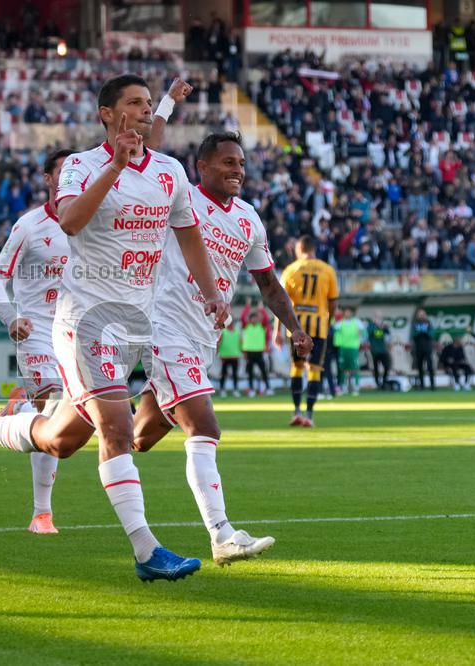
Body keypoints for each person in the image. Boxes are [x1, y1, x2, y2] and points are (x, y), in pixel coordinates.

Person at [0, 74, 230, 582]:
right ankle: (147, 552)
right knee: (117, 429)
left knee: (59, 440)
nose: (143, 110)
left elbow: (190, 237)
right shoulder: (80, 166)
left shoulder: (169, 172)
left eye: (148, 104)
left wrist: (212, 291)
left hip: (135, 324)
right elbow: (69, 221)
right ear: (107, 115)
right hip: (85, 322)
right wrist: (114, 167)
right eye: (133, 103)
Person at [130, 130, 313, 565]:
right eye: (229, 163)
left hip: (202, 338)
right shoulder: (181, 200)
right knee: (205, 427)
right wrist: (166, 108)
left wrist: (294, 328)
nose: (238, 171)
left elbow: (268, 282)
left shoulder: (249, 217)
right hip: (164, 327)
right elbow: (144, 160)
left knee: (139, 437)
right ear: (203, 167)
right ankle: (222, 535)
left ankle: (9, 425)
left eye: (242, 164)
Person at [0, 148, 74, 535]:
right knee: (53, 408)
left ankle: (18, 410)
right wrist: (11, 318)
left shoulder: (91, 221)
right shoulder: (29, 226)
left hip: (76, 332)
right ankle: (42, 514)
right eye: (64, 171)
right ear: (48, 179)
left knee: (74, 421)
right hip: (35, 328)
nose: (73, 177)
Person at [276, 236, 339, 427]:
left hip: (296, 327)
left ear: (299, 249)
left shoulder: (290, 270)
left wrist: (276, 330)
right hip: (319, 326)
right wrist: (329, 320)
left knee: (297, 367)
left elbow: (280, 302)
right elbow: (333, 301)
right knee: (315, 369)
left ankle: (296, 412)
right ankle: (309, 415)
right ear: (314, 249)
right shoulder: (327, 270)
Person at [334, 308, 364, 395]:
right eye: (346, 312)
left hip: (353, 348)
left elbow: (362, 331)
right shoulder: (340, 323)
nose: (347, 314)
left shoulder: (357, 322)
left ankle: (356, 388)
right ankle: (343, 387)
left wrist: (360, 336)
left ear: (351, 313)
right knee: (343, 369)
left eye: (349, 312)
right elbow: (334, 331)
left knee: (355, 368)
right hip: (343, 348)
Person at [242, 312, 270, 396]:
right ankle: (251, 390)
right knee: (250, 373)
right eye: (253, 318)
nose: (255, 320)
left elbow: (266, 319)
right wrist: (247, 306)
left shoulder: (261, 327)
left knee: (263, 372)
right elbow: (243, 317)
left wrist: (260, 309)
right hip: (249, 353)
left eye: (256, 318)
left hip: (259, 352)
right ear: (250, 320)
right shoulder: (247, 327)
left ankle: (268, 389)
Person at [410, 308, 436, 390]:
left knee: (430, 367)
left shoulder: (428, 323)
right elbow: (413, 335)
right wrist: (420, 331)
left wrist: (424, 331)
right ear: (418, 315)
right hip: (418, 348)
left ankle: (432, 385)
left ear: (425, 315)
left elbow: (432, 334)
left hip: (427, 348)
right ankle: (422, 386)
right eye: (420, 314)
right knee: (420, 368)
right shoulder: (415, 323)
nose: (421, 316)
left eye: (423, 314)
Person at [366, 311, 392, 390]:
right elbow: (369, 333)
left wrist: (385, 327)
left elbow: (388, 334)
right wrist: (377, 326)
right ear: (374, 317)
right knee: (376, 367)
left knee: (387, 366)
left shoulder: (383, 325)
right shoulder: (371, 325)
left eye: (380, 317)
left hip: (383, 349)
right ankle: (378, 384)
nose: (379, 318)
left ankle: (384, 382)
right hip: (374, 350)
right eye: (377, 317)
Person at [217, 321, 242, 397]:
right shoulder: (223, 332)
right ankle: (222, 390)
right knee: (223, 374)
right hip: (225, 356)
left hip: (235, 356)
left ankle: (235, 390)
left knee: (235, 375)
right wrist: (218, 352)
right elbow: (218, 342)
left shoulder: (237, 332)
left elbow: (241, 343)